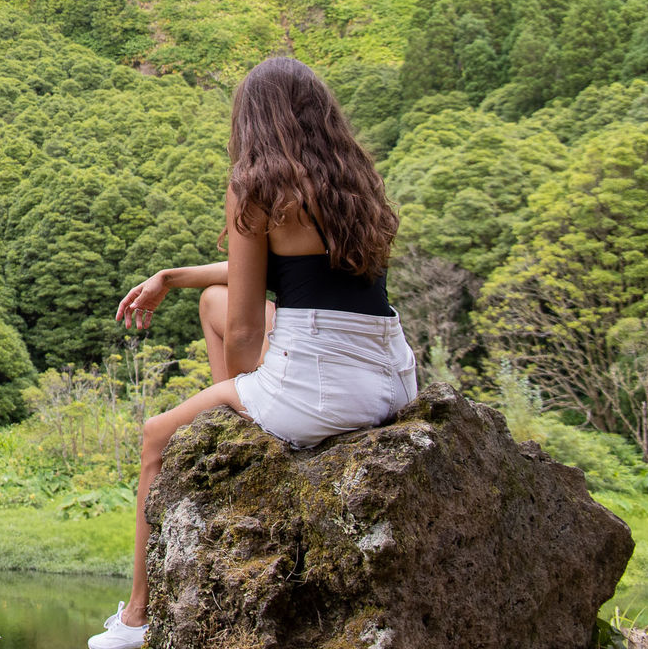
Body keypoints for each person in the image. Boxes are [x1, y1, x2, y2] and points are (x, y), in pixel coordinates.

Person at [86, 56, 416, 649]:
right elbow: (258, 277)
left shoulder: (258, 186)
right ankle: (255, 410)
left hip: (322, 391)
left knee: (158, 434)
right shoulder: (353, 178)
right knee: (210, 298)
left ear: (253, 120)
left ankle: (137, 617)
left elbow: (241, 333)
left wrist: (244, 405)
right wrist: (171, 275)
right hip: (391, 376)